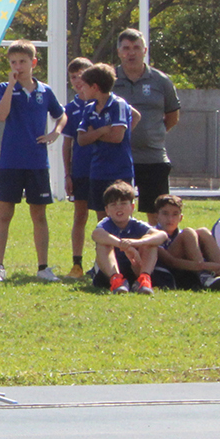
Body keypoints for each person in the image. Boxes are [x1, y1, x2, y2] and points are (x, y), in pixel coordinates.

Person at [0, 41, 65, 283]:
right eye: (13, 62)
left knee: (39, 215)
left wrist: (55, 132)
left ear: (33, 63)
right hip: (11, 161)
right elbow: (1, 115)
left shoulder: (45, 91)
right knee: (5, 213)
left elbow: (61, 114)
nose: (18, 66)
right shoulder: (4, 87)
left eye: (22, 62)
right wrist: (12, 86)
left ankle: (43, 267)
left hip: (37, 162)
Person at [70, 62, 137, 281]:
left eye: (85, 85)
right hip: (97, 171)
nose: (81, 89)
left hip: (119, 171)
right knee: (103, 220)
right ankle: (103, 265)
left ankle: (126, 263)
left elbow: (118, 136)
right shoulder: (89, 108)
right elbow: (81, 139)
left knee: (123, 219)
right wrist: (102, 130)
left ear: (95, 87)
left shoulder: (117, 105)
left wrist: (96, 134)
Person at [113, 28, 182, 216]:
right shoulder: (109, 79)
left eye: (136, 47)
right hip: (118, 157)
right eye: (126, 48)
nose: (131, 53)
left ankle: (155, 246)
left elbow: (173, 116)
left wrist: (152, 134)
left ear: (144, 50)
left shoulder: (161, 81)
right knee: (117, 211)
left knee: (157, 213)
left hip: (153, 157)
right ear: (119, 52)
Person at [90, 181, 163, 294]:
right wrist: (124, 245)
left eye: (123, 203)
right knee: (104, 244)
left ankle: (144, 279)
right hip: (109, 271)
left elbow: (161, 235)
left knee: (150, 242)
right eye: (113, 205)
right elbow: (96, 234)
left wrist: (138, 242)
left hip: (134, 266)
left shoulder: (136, 224)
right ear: (107, 210)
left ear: (132, 207)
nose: (119, 208)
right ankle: (116, 280)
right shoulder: (106, 224)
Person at [150, 194, 220, 290]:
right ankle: (204, 276)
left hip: (193, 267)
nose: (170, 219)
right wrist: (208, 266)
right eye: (165, 213)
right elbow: (171, 262)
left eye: (175, 214)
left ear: (180, 218)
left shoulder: (179, 234)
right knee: (188, 232)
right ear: (156, 216)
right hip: (169, 270)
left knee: (203, 232)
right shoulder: (153, 233)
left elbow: (201, 250)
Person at [61, 57, 96, 278]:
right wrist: (67, 174)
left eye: (82, 75)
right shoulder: (70, 109)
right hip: (81, 170)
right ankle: (77, 263)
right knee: (80, 216)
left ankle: (105, 263)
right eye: (73, 77)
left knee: (105, 216)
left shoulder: (103, 103)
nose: (78, 81)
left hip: (103, 169)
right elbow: (67, 143)